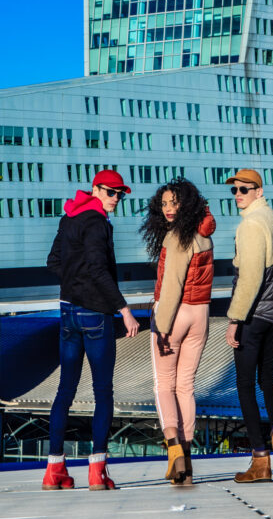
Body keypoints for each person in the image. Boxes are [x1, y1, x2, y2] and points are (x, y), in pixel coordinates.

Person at [43, 169, 139, 491]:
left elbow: (54, 261)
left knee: (64, 391)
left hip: (68, 311)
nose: (116, 199)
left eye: (120, 194)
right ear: (96, 190)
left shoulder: (70, 216)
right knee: (103, 392)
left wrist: (74, 281)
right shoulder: (97, 222)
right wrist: (124, 310)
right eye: (111, 192)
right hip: (95, 314)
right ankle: (97, 471)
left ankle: (54, 470)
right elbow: (98, 268)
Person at [141, 177, 216, 485]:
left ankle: (173, 448)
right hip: (201, 313)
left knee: (164, 386)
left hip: (175, 314)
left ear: (186, 203)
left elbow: (171, 287)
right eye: (165, 203)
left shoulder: (177, 238)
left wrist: (160, 328)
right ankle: (186, 453)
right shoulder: (204, 233)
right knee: (186, 386)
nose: (169, 209)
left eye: (175, 202)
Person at [225, 167, 273, 482]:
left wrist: (234, 319)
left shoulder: (251, 225)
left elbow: (251, 277)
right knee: (268, 378)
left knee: (244, 384)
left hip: (254, 315)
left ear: (259, 191)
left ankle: (260, 459)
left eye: (244, 189)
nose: (238, 195)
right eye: (235, 190)